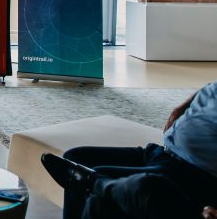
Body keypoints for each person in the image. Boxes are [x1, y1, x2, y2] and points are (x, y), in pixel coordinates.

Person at [41, 81, 217, 219]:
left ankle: (94, 181)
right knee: (75, 157)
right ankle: (93, 181)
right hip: (160, 152)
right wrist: (182, 107)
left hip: (188, 171)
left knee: (97, 189)